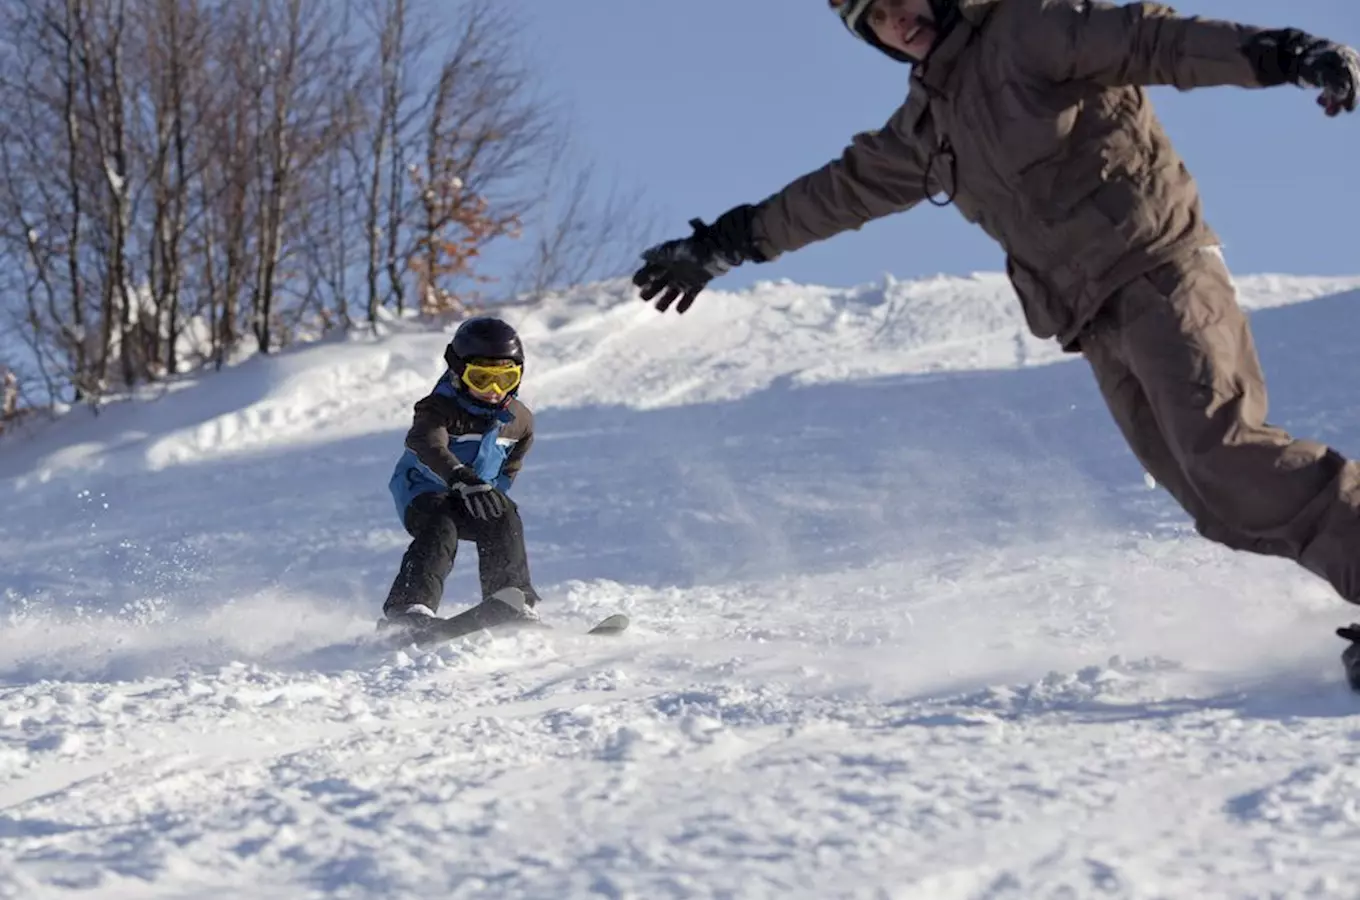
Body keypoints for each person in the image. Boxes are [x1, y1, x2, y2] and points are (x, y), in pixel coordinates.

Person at [631, 2, 1360, 617]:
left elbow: (1153, 39)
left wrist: (1285, 55)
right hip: (1094, 321)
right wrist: (726, 244)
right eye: (874, 19)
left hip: (1159, 272)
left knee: (1228, 457)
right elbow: (837, 194)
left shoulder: (1030, 28)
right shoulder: (928, 124)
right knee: (1215, 502)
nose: (897, 20)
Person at [382, 316, 540, 631]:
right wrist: (458, 475)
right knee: (441, 526)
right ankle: (408, 609)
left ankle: (510, 599)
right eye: (481, 378)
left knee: (505, 515)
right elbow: (426, 443)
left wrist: (493, 493)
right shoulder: (438, 408)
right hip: (424, 493)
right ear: (458, 373)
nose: (494, 391)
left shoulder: (519, 421)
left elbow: (512, 463)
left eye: (505, 379)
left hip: (473, 494)